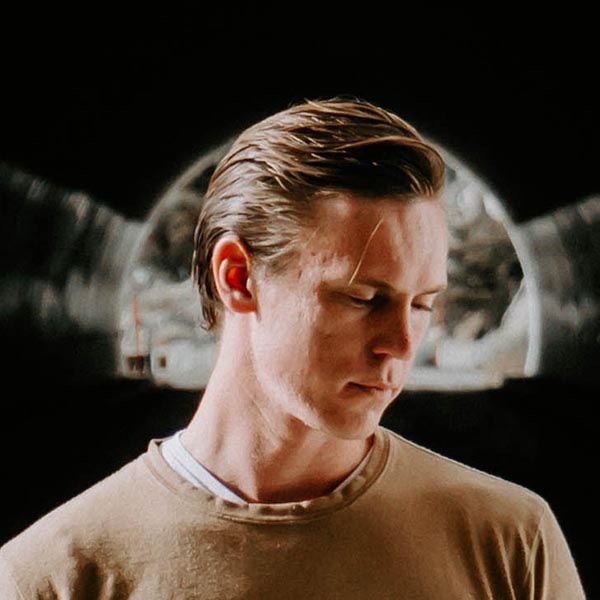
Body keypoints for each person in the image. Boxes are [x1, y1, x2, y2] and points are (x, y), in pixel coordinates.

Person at [0, 97, 586, 599]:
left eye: (422, 302)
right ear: (237, 276)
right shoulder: (54, 575)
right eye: (362, 297)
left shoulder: (511, 542)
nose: (401, 345)